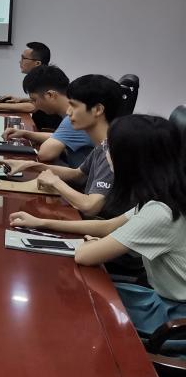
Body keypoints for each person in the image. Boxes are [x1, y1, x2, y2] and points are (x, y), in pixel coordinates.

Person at [9, 115, 186, 338]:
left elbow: (85, 256)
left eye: (111, 148)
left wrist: (95, 245)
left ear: (131, 160)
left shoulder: (161, 213)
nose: (105, 151)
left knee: (70, 305)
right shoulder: (164, 197)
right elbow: (109, 226)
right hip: (161, 301)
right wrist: (42, 223)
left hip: (173, 318)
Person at [0, 74, 124, 217]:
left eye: (74, 106)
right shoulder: (102, 144)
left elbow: (90, 206)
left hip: (100, 222)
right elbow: (78, 174)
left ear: (97, 110)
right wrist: (29, 165)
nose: (68, 112)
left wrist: (56, 182)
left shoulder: (112, 150)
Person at [0, 65, 93, 167]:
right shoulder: (78, 111)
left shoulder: (73, 118)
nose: (35, 105)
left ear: (50, 95)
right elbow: (58, 136)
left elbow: (45, 154)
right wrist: (25, 133)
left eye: (34, 100)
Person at [0, 41, 51, 116]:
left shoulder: (45, 79)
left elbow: (34, 107)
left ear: (37, 63)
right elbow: (39, 101)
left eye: (23, 58)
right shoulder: (42, 76)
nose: (20, 61)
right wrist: (20, 100)